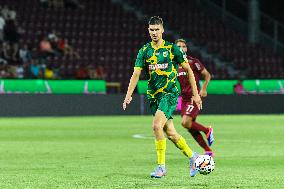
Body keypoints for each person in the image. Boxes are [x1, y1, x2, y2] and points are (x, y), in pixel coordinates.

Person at [122, 16, 202, 178]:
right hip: (154, 96)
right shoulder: (144, 51)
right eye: (151, 30)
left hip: (170, 93)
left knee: (156, 126)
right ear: (148, 30)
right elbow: (136, 73)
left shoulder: (172, 49)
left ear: (163, 30)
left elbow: (189, 71)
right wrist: (128, 95)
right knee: (171, 133)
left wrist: (196, 94)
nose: (154, 32)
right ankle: (193, 157)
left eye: (157, 29)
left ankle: (161, 167)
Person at [175, 39, 215, 157]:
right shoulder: (175, 65)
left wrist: (203, 89)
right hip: (184, 99)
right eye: (179, 46)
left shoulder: (193, 62)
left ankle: (207, 130)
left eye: (184, 46)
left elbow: (207, 75)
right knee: (190, 126)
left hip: (194, 97)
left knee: (185, 122)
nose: (182, 48)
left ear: (186, 49)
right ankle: (208, 151)